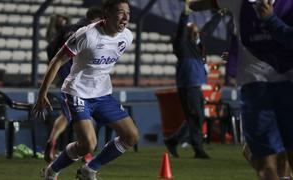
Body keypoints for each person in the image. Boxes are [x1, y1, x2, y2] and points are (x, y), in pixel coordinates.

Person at [32, 0, 139, 180]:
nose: (126, 17)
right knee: (88, 144)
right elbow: (57, 60)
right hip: (77, 92)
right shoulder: (87, 35)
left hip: (102, 94)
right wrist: (42, 92)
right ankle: (50, 171)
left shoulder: (127, 37)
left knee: (131, 136)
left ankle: (89, 170)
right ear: (107, 13)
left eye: (128, 13)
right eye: (121, 12)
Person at [188, 0, 293, 179]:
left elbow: (194, 4)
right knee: (270, 161)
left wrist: (270, 20)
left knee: (266, 164)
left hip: (260, 88)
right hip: (266, 87)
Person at [43, 7, 104, 163]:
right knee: (83, 112)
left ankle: (52, 141)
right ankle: (86, 150)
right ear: (96, 18)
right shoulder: (88, 30)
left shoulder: (68, 29)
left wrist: (56, 67)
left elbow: (50, 47)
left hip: (64, 72)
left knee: (67, 113)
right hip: (76, 75)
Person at [165, 1, 225, 159]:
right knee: (196, 116)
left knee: (197, 117)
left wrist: (219, 15)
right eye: (191, 29)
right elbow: (180, 32)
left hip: (195, 85)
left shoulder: (198, 46)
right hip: (187, 86)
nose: (195, 30)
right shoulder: (182, 46)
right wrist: (185, 15)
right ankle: (198, 149)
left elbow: (209, 29)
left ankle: (174, 140)